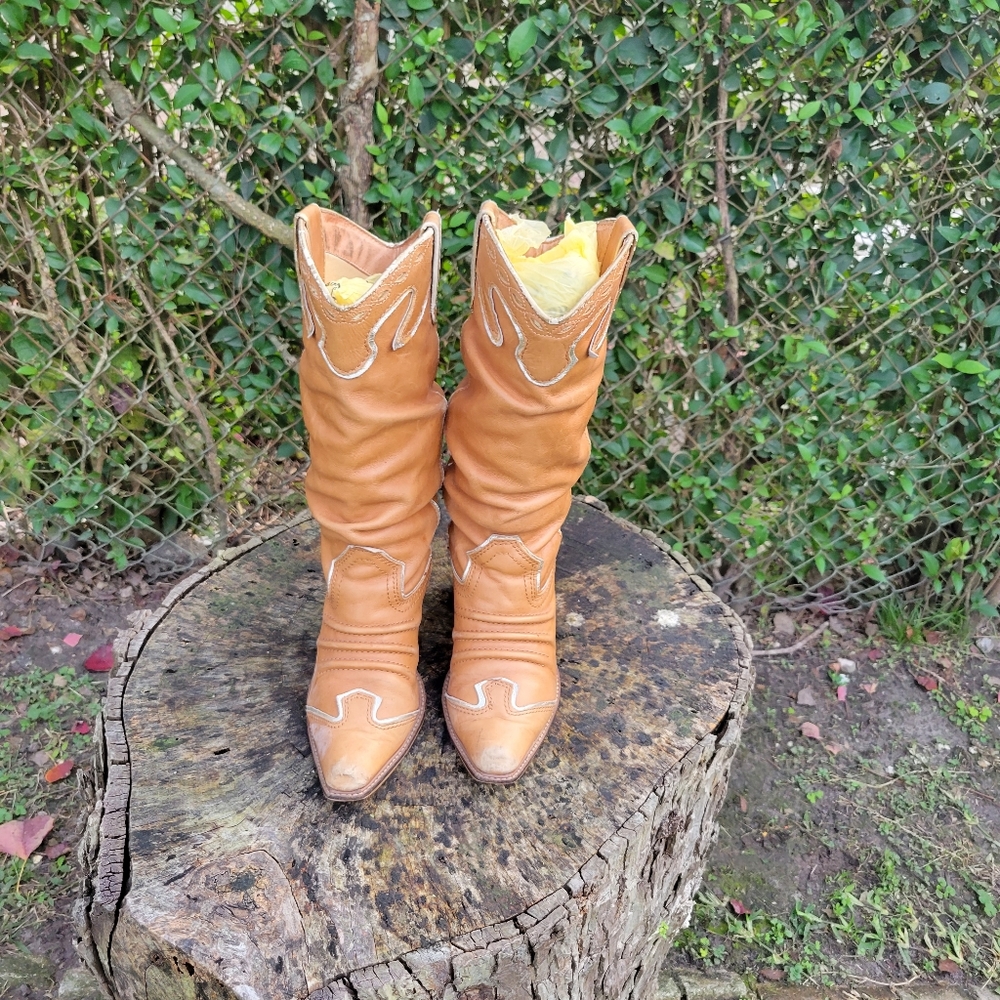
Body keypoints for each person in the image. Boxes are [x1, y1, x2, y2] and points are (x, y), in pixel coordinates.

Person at [294, 200, 635, 801]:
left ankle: (504, 612)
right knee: (359, 436)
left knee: (527, 447)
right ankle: (368, 617)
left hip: (514, 598)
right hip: (360, 608)